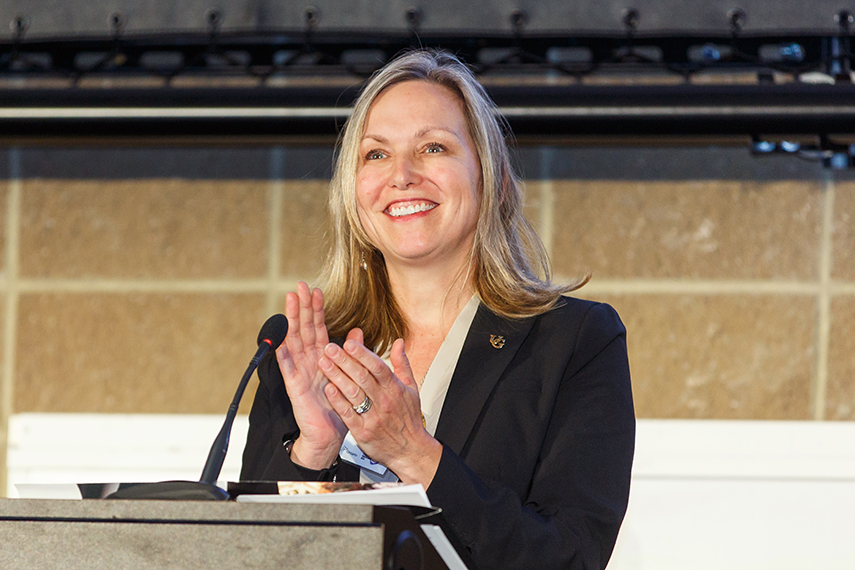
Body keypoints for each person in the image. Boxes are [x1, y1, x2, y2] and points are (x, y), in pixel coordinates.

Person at [241, 49, 635, 570]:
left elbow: (570, 557)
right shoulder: (306, 350)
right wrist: (311, 452)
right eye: (376, 155)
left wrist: (414, 454)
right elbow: (247, 554)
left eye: (433, 147)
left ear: (490, 181)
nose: (401, 175)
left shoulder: (575, 340)